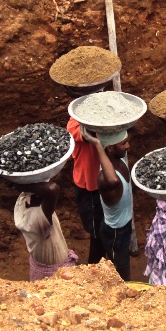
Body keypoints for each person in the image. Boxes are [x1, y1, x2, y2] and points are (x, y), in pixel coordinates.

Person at [65, 86, 107, 266]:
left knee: (107, 225)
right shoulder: (74, 123)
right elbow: (88, 133)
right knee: (96, 231)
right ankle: (94, 266)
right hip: (89, 185)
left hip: (108, 181)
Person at [83, 129, 134, 281]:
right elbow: (113, 181)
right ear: (110, 148)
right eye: (124, 143)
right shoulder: (105, 179)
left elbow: (135, 131)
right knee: (120, 267)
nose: (128, 146)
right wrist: (97, 144)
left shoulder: (120, 159)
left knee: (117, 259)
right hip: (115, 232)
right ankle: (125, 293)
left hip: (123, 226)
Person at [12, 181, 78, 281]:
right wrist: (23, 184)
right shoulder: (37, 219)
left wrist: (22, 186)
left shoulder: (21, 201)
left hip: (40, 261)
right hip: (52, 269)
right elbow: (52, 188)